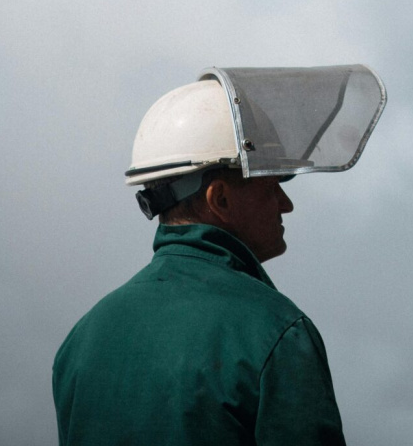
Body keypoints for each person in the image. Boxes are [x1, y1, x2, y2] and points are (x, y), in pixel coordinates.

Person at [52, 65, 386, 446]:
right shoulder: (277, 334)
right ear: (221, 199)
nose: (286, 204)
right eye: (271, 184)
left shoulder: (82, 340)